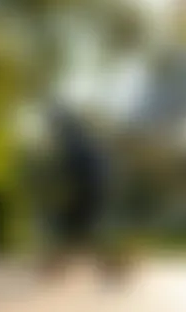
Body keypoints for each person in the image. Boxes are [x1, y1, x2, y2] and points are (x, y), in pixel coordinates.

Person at [39, 105, 126, 281]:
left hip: (88, 191)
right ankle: (112, 264)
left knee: (71, 227)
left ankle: (56, 266)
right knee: (80, 229)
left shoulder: (71, 140)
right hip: (95, 190)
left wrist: (70, 191)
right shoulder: (81, 138)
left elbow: (72, 170)